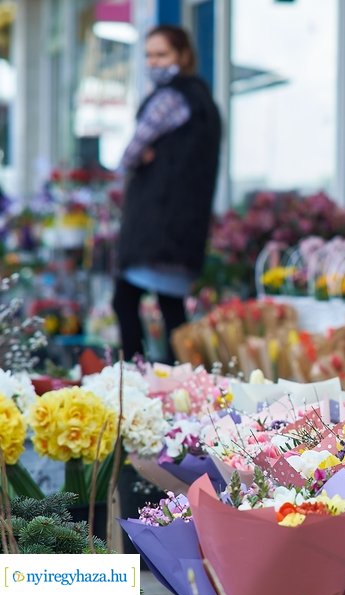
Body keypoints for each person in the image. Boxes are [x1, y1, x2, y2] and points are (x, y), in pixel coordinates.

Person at [113, 25, 221, 363]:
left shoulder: (169, 99)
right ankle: (181, 383)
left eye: (162, 55)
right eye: (148, 55)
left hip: (156, 227)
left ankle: (134, 375)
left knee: (125, 299)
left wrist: (144, 157)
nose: (154, 62)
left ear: (183, 56)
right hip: (184, 228)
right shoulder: (205, 102)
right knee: (171, 308)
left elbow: (128, 155)